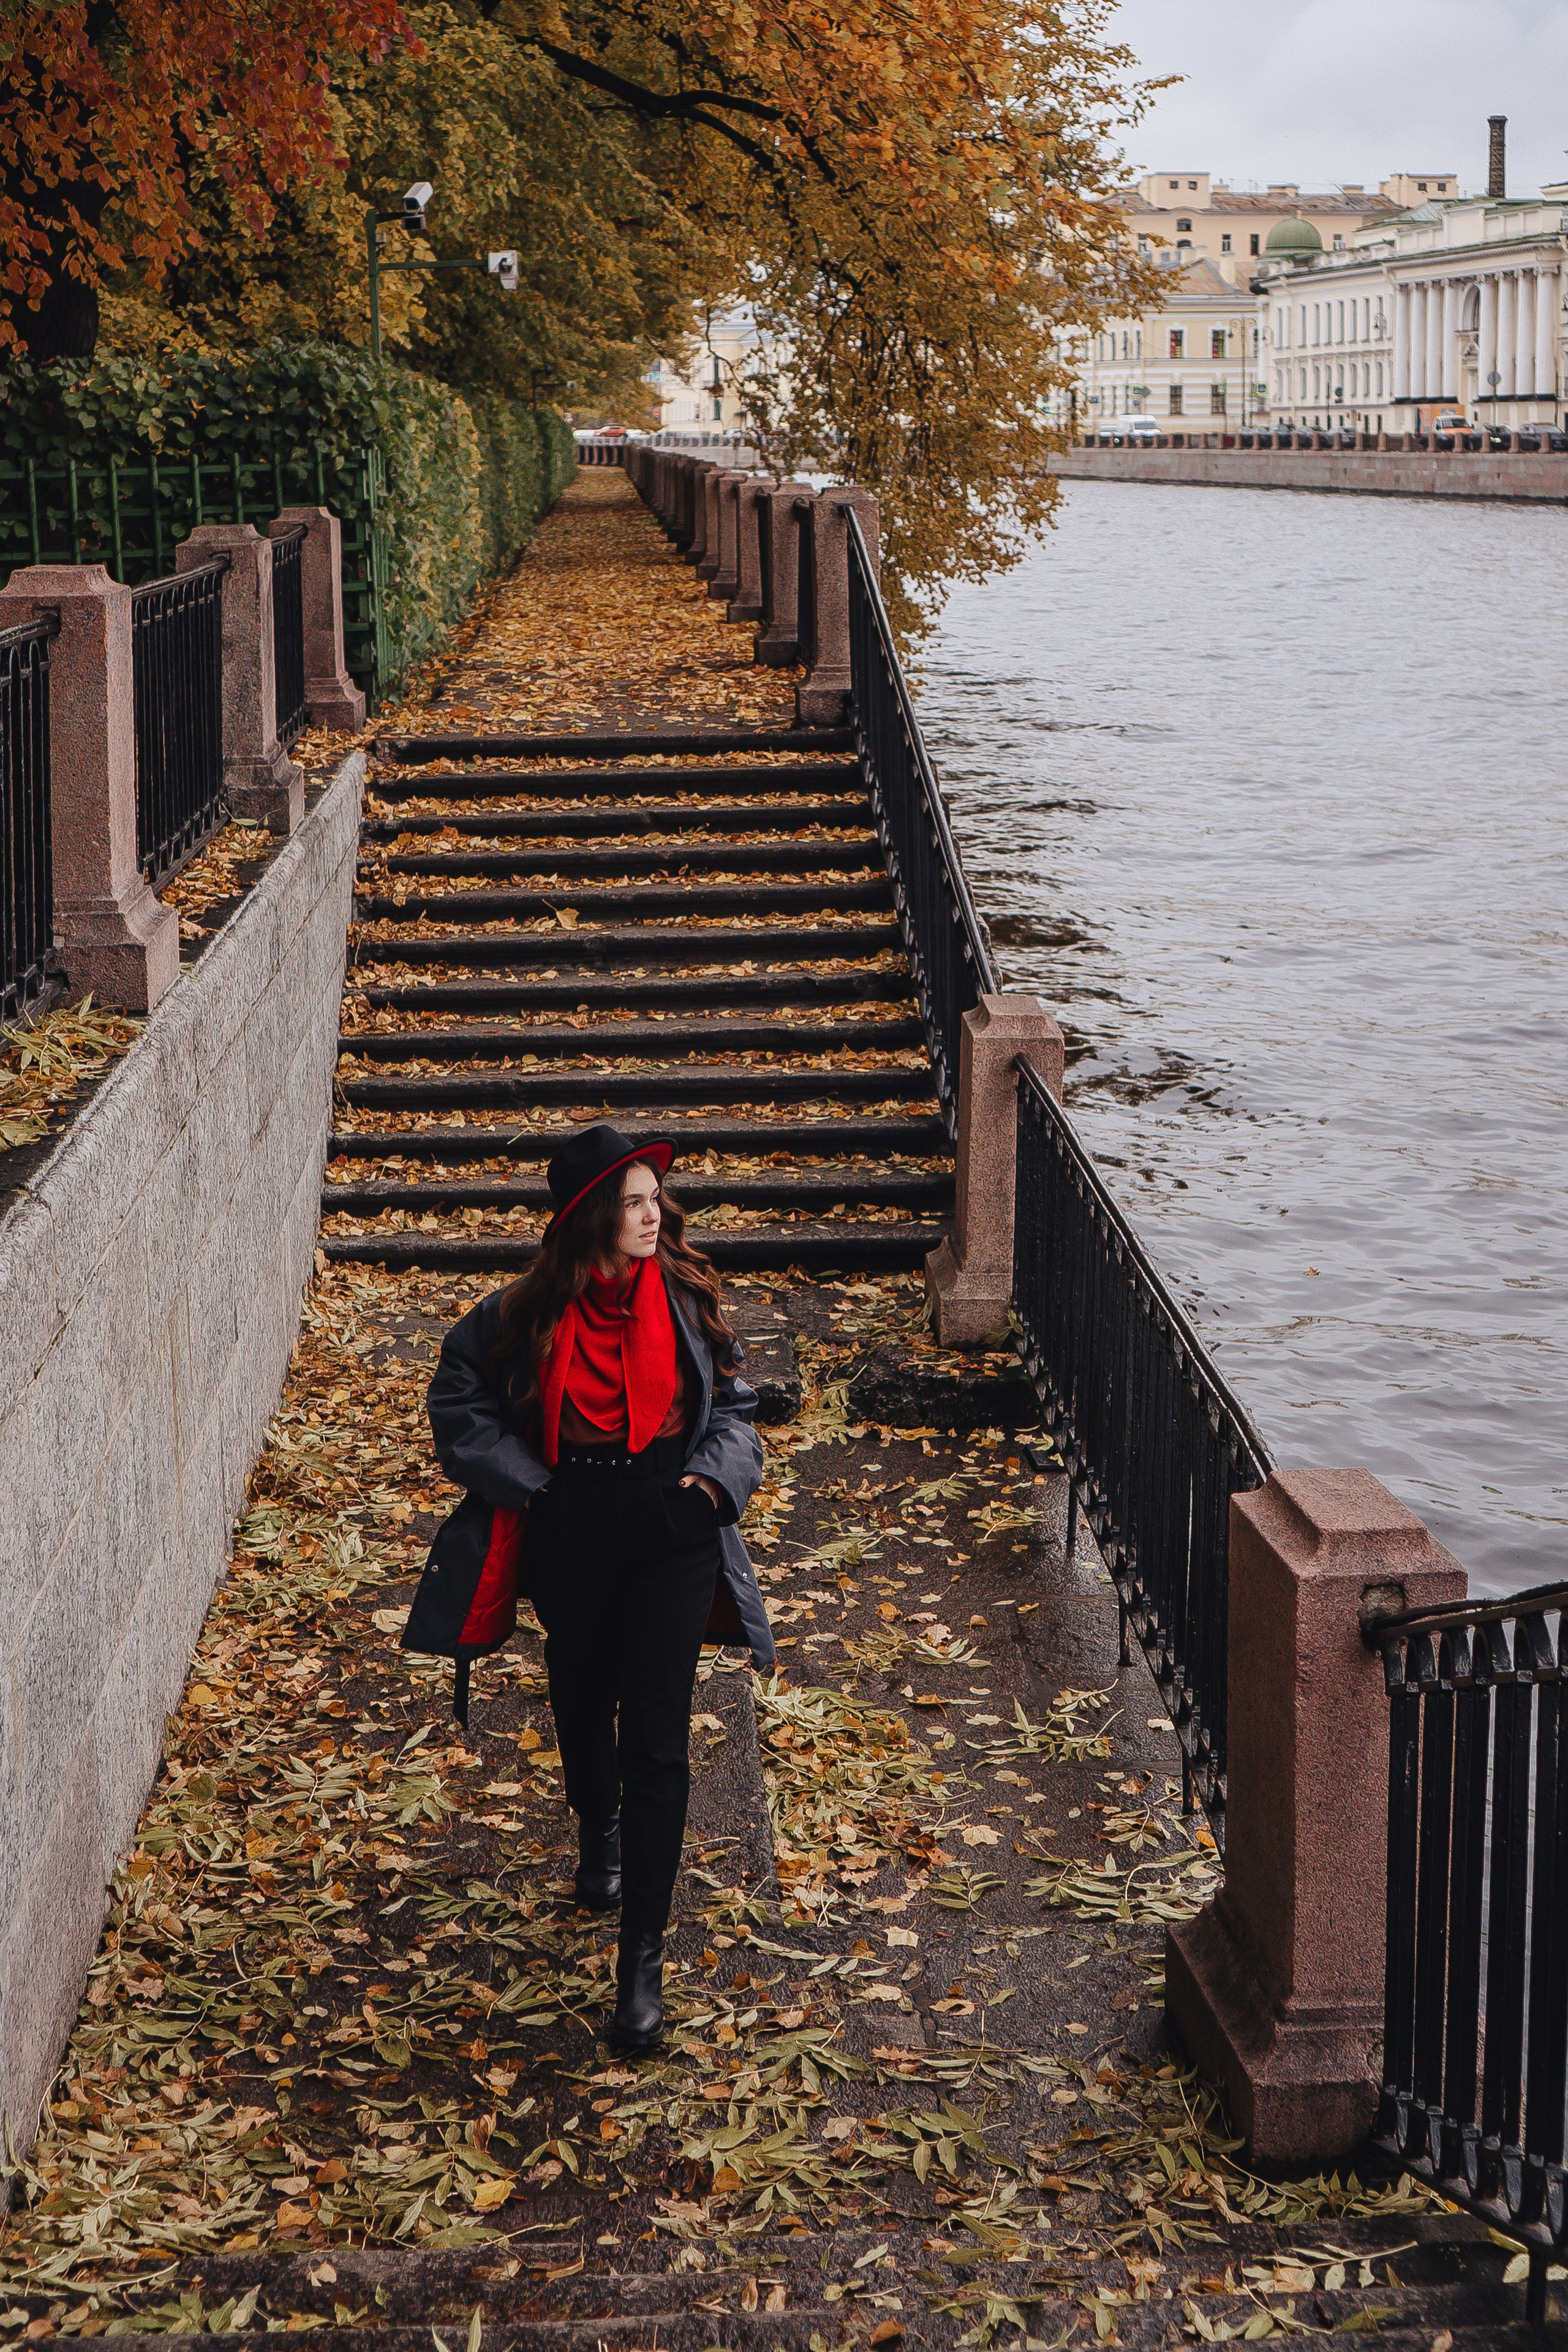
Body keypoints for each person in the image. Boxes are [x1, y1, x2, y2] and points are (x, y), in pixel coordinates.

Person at [413, 1124, 773, 2053]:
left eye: (658, 1198)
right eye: (633, 1202)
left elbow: (732, 1409)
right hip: (573, 1521)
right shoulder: (522, 1314)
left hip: (672, 1528)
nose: (654, 1216)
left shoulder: (689, 1297)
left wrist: (708, 1488)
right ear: (588, 1219)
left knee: (658, 1735)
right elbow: (458, 1397)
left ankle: (640, 1956)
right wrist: (528, 1483)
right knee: (580, 1693)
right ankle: (596, 1831)